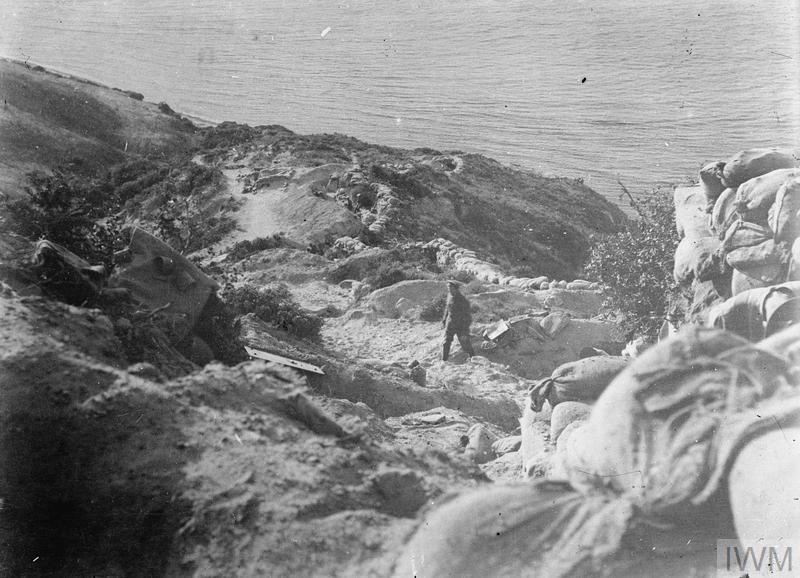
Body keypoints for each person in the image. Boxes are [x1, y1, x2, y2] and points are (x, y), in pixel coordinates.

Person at [441, 280, 475, 361]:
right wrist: (444, 320)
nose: (450, 291)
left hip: (461, 326)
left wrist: (465, 330)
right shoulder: (449, 297)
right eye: (449, 289)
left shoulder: (463, 300)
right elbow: (447, 309)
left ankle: (473, 358)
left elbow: (468, 317)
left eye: (451, 289)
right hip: (450, 324)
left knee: (465, 344)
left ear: (456, 289)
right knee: (446, 342)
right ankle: (444, 360)